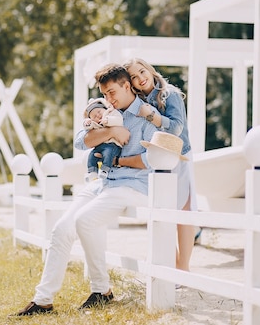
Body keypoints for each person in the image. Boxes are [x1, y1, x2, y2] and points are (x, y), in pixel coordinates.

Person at [10, 64, 158, 316]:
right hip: (104, 182)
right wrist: (111, 131)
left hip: (133, 184)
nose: (108, 99)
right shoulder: (107, 113)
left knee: (85, 221)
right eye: (105, 94)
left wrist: (116, 161)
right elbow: (81, 141)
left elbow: (151, 160)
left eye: (112, 92)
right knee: (61, 230)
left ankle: (101, 290)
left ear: (126, 86)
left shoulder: (147, 115)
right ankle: (43, 301)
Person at [123, 57, 198, 272]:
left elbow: (176, 128)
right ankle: (170, 265)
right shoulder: (137, 101)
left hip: (178, 155)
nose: (140, 79)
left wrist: (152, 116)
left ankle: (183, 268)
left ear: (149, 69)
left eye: (142, 72)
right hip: (155, 158)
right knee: (161, 211)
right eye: (134, 77)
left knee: (183, 213)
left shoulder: (170, 94)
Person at [83, 97, 124, 182]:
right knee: (92, 155)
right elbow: (89, 128)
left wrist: (107, 120)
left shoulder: (111, 113)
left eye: (98, 112)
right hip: (100, 145)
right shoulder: (96, 124)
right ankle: (92, 172)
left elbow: (119, 120)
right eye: (94, 116)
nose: (98, 115)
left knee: (107, 153)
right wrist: (87, 123)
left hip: (113, 144)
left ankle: (105, 170)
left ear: (104, 108)